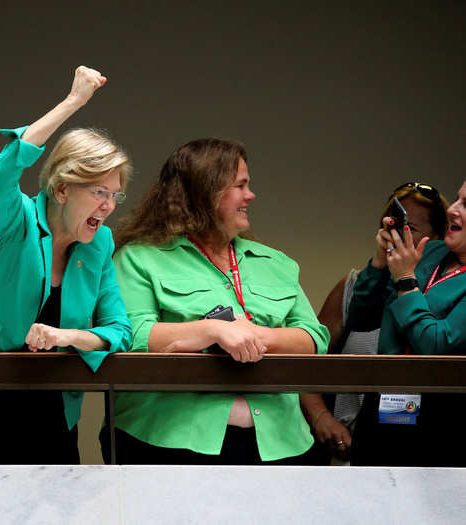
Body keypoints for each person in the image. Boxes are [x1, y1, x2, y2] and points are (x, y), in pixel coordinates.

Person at [0, 66, 133, 464]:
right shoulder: (14, 220)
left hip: (54, 418)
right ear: (61, 188)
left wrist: (67, 337)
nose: (108, 207)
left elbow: (119, 331)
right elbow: (4, 170)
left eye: (115, 195)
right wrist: (73, 102)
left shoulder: (99, 244)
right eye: (98, 192)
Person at [103, 137, 329, 464]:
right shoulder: (139, 259)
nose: (250, 195)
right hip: (167, 443)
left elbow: (315, 338)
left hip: (283, 446)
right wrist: (211, 331)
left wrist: (254, 336)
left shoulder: (277, 263)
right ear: (206, 191)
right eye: (240, 185)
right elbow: (131, 335)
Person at [300, 183, 450, 463]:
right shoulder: (356, 287)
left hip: (423, 444)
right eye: (394, 226)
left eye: (410, 230)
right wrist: (320, 417)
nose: (397, 238)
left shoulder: (444, 292)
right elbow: (307, 362)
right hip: (352, 444)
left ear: (439, 239)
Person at [348, 180, 466, 467]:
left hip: (443, 421)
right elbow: (361, 317)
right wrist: (379, 260)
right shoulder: (430, 251)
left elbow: (436, 344)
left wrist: (406, 281)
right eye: (458, 199)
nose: (452, 209)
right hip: (383, 406)